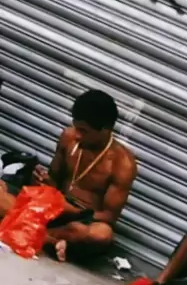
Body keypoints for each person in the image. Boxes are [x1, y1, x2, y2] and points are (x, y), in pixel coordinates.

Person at [0, 89, 138, 262]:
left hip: (78, 219)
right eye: (76, 127)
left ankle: (28, 231)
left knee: (101, 235)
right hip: (51, 207)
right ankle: (48, 240)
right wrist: (44, 182)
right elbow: (54, 180)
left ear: (105, 130)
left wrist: (74, 212)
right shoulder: (68, 137)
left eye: (84, 131)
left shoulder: (122, 164)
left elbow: (109, 216)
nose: (77, 135)